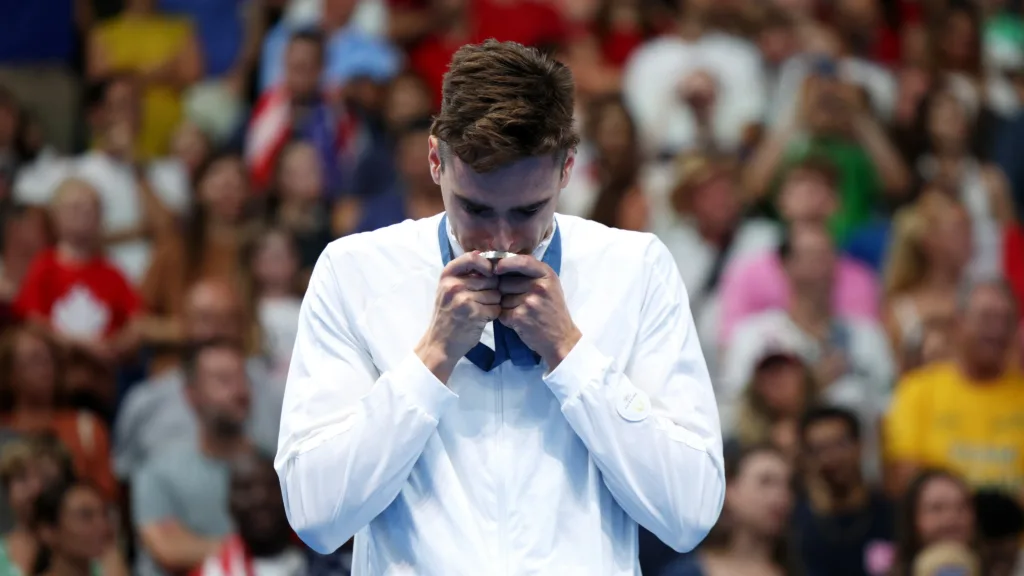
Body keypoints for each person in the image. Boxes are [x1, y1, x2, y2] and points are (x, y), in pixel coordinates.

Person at [276, 39, 725, 572]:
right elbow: (316, 516)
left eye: (529, 209)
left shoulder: (636, 269)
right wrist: (431, 358)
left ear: (566, 171)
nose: (503, 239)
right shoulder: (354, 272)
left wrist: (571, 354)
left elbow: (690, 513)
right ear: (435, 160)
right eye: (476, 208)